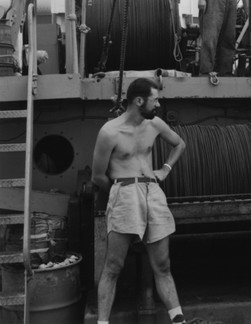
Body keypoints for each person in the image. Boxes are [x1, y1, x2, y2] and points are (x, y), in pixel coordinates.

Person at [92, 77, 188, 324]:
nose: (158, 104)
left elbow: (179, 144)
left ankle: (178, 320)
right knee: (113, 266)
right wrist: (121, 190)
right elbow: (98, 176)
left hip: (153, 193)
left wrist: (165, 169)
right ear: (139, 100)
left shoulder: (154, 124)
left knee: (163, 265)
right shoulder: (110, 132)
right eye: (155, 100)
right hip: (124, 193)